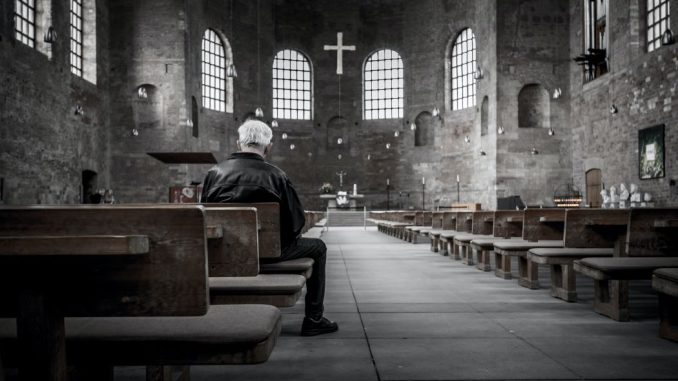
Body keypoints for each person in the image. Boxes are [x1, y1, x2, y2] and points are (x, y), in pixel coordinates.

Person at [201, 119, 338, 336]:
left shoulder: (214, 174)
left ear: (239, 144)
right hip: (273, 253)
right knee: (318, 247)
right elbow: (297, 223)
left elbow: (205, 218)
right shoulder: (277, 175)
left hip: (226, 255)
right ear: (269, 146)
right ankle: (314, 318)